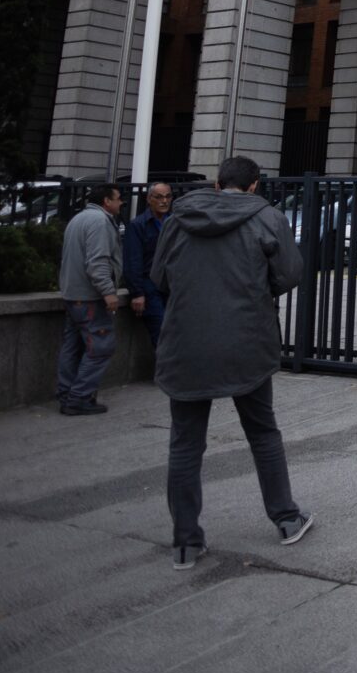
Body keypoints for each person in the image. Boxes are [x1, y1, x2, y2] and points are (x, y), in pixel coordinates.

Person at [152, 155, 312, 571]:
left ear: (218, 183)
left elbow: (160, 276)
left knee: (185, 443)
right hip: (246, 339)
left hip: (186, 341)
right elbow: (289, 274)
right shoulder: (268, 217)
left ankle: (186, 542)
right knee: (262, 431)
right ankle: (286, 518)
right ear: (255, 184)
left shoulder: (179, 218)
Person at [56, 184, 126, 416]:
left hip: (73, 294)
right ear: (107, 201)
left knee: (72, 347)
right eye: (118, 198)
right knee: (101, 347)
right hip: (90, 297)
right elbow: (97, 261)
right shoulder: (100, 222)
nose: (121, 203)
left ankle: (66, 394)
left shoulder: (79, 219)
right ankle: (78, 397)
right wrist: (108, 292)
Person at [123, 182, 173, 350]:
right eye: (159, 197)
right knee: (161, 335)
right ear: (149, 199)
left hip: (172, 285)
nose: (164, 201)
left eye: (168, 196)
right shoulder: (138, 225)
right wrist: (137, 293)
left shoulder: (174, 222)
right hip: (150, 286)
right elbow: (133, 261)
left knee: (175, 334)